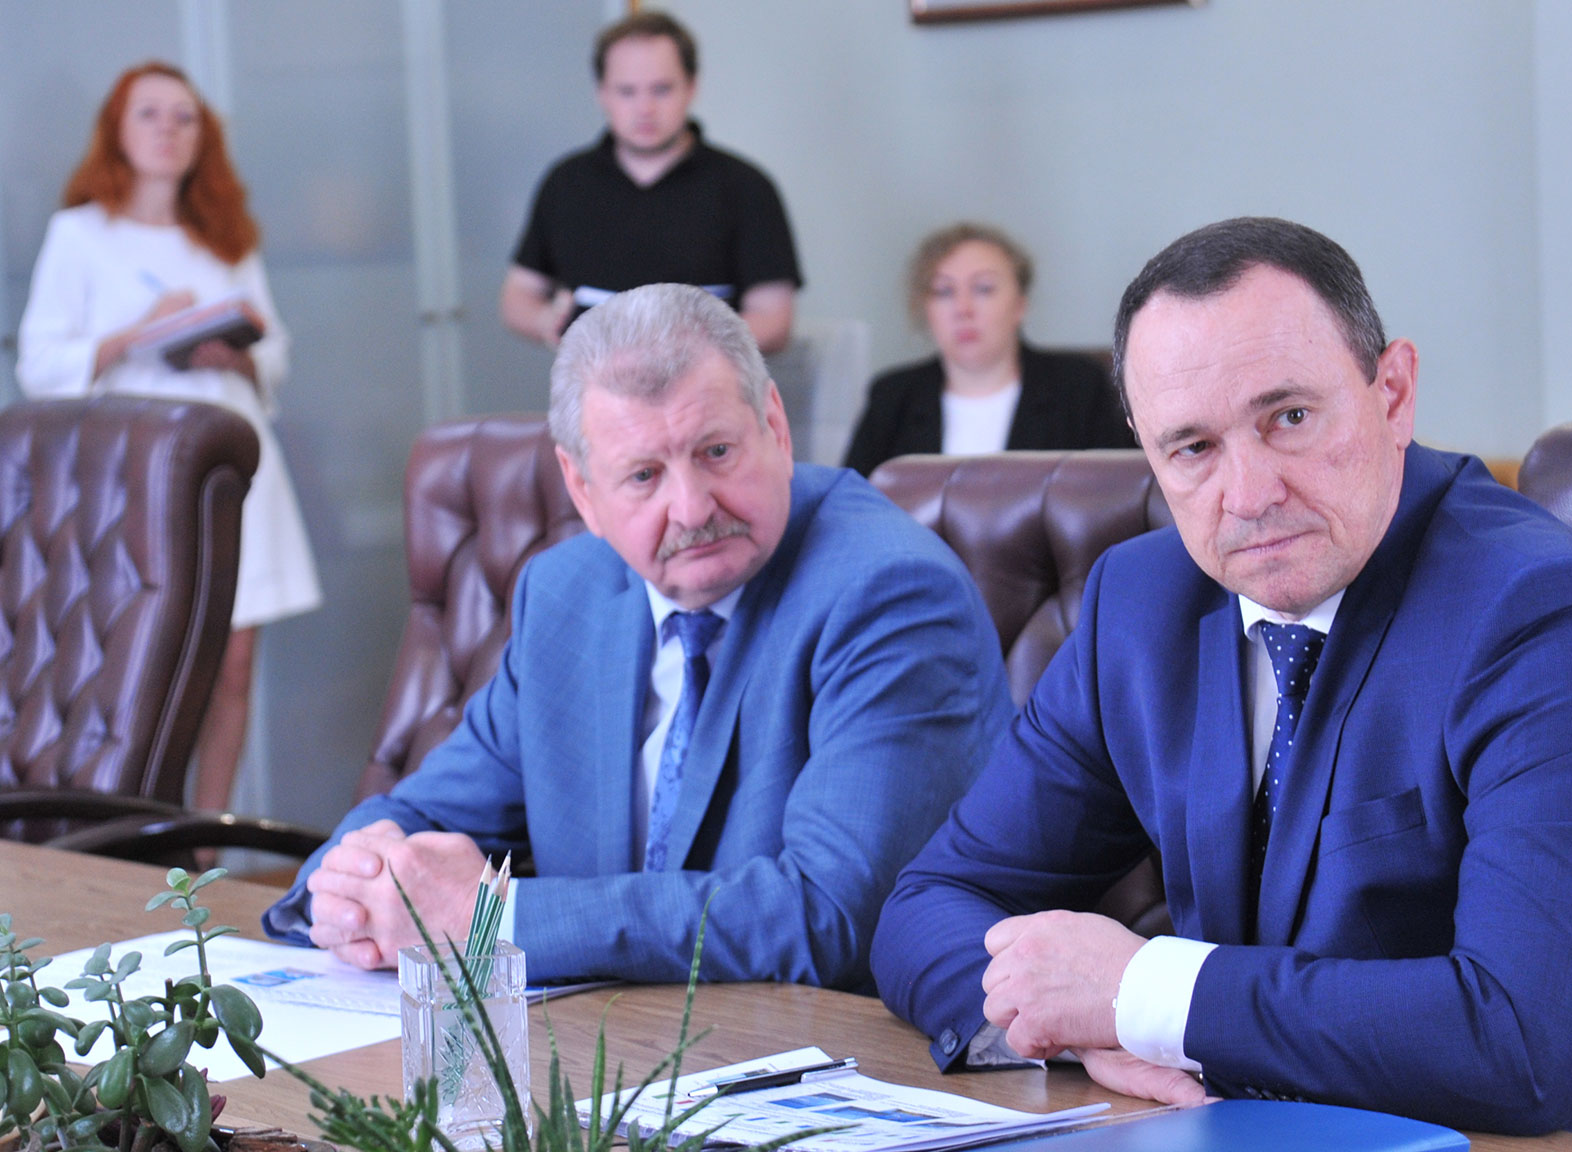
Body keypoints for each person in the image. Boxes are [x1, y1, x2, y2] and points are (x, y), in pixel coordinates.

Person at [870, 217, 1572, 1148]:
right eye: (1192, 448)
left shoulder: (1551, 620)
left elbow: (1515, 1045)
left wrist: (1141, 994)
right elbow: (927, 908)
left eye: (1288, 418)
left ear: (1394, 394)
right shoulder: (1140, 606)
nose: (1250, 495)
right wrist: (1085, 1030)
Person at [264, 283, 1012, 990]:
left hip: (830, 1057)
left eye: (716, 452)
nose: (692, 508)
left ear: (776, 429)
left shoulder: (890, 593)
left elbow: (830, 915)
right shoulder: (567, 594)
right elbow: (427, 814)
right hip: (602, 1049)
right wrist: (352, 889)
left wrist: (488, 920)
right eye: (644, 476)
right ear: (582, 490)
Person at [15, 61, 323, 814]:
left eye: (185, 117)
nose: (168, 130)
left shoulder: (225, 238)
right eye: (149, 114)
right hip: (134, 478)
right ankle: (135, 838)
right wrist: (139, 333)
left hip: (231, 463)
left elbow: (276, 352)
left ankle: (206, 841)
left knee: (233, 662)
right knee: (138, 664)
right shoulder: (80, 234)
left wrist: (235, 354)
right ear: (118, 130)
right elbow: (40, 365)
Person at [500, 11, 801, 355]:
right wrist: (544, 321)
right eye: (627, 91)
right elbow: (518, 296)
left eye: (661, 89)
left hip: (706, 382)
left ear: (691, 87)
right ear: (601, 93)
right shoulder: (566, 182)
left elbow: (774, 318)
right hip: (592, 383)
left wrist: (686, 351)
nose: (644, 108)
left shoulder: (746, 187)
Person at [842, 223, 1133, 478]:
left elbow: (1114, 497)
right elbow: (850, 507)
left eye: (983, 288)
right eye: (944, 291)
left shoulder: (1080, 386)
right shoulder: (892, 397)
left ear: (1020, 304)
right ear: (925, 309)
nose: (963, 309)